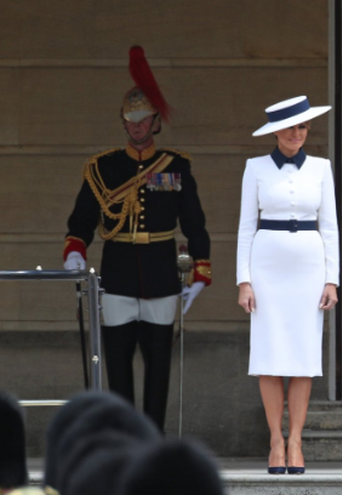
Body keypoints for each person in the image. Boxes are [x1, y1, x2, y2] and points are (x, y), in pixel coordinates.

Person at [63, 46, 211, 431]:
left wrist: (201, 270)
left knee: (159, 363)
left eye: (144, 119)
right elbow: (81, 220)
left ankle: (152, 440)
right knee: (117, 363)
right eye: (131, 119)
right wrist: (75, 252)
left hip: (161, 272)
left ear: (155, 121)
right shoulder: (104, 167)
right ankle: (123, 438)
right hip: (118, 272)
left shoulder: (175, 166)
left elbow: (194, 223)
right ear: (123, 121)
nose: (137, 126)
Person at [236, 96, 339, 474]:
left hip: (309, 266)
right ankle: (275, 441)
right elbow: (247, 226)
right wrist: (243, 280)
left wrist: (332, 278)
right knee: (268, 356)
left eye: (304, 127)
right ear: (276, 131)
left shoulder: (322, 167)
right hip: (267, 266)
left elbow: (329, 225)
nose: (298, 134)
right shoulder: (256, 168)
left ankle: (295, 440)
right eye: (292, 127)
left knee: (302, 357)